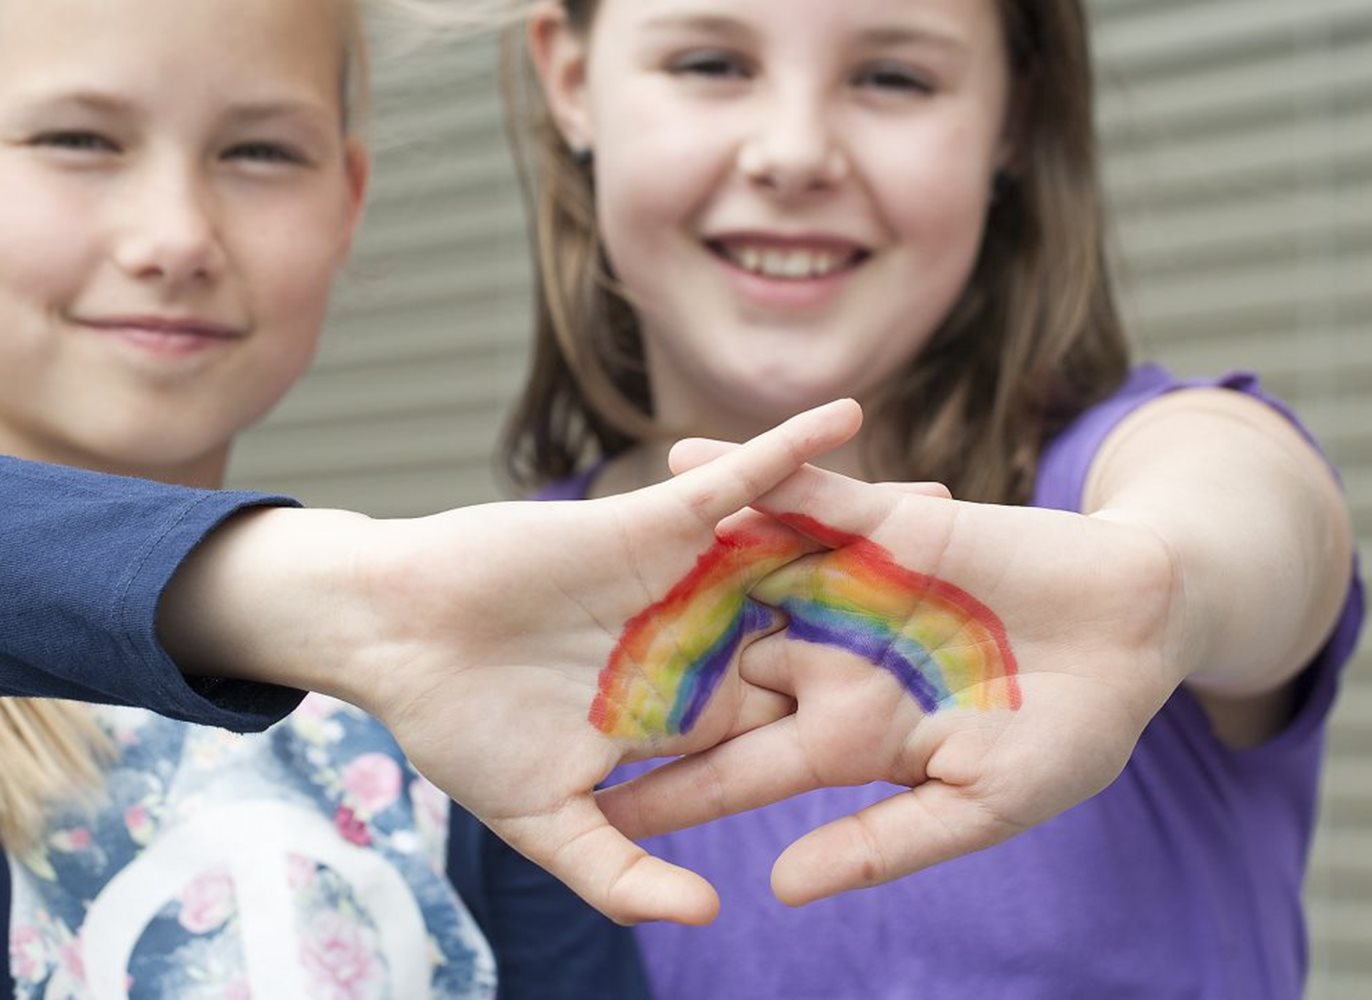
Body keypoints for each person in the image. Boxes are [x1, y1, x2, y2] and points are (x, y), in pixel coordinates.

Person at [493, 0, 1366, 996]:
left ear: (1012, 119)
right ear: (572, 83)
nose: (793, 154)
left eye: (892, 78)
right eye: (709, 63)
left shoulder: (1126, 484)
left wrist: (1161, 587)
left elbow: (1252, 512)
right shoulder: (496, 615)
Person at [0, 0, 871, 993]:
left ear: (348, 200)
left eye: (260, 152)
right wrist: (361, 605)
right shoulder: (405, 626)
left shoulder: (445, 713)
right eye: (76, 140)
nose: (177, 237)